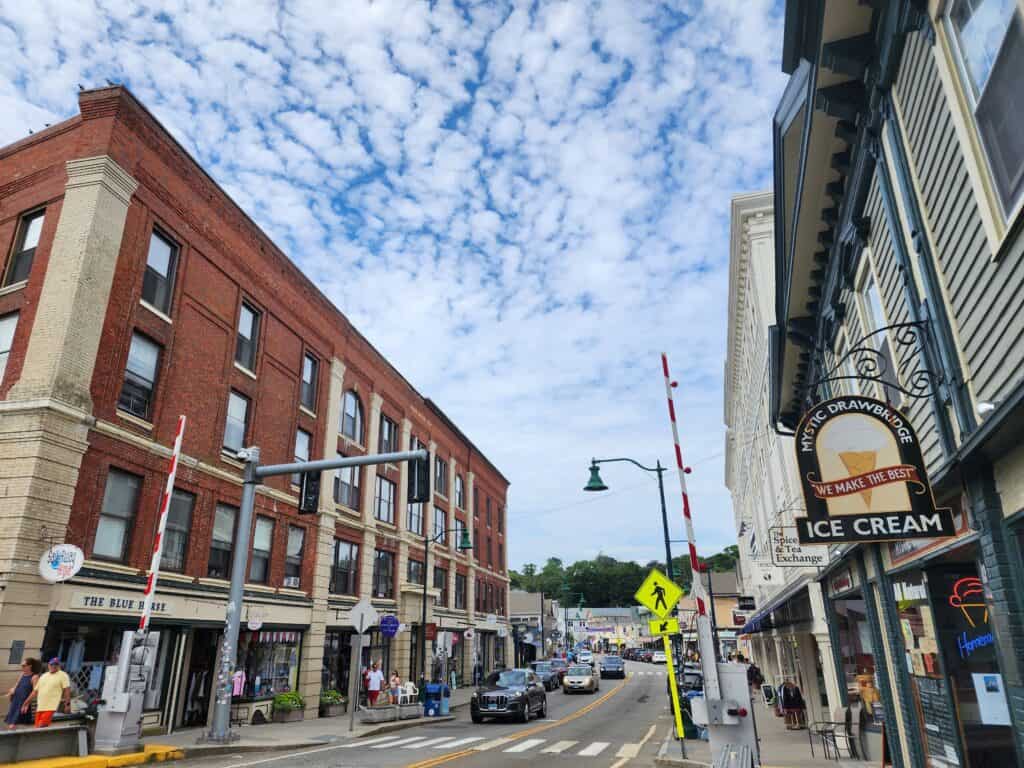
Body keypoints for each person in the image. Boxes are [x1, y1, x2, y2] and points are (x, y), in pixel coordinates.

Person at [22, 658, 70, 728]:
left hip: (50, 707)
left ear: (59, 666)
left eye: (56, 664)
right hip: (40, 707)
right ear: (48, 665)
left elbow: (67, 690)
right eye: (52, 664)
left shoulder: (63, 675)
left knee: (42, 726)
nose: (53, 666)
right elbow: (35, 691)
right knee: (37, 728)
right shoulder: (44, 676)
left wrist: (67, 705)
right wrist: (26, 702)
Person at [5, 658, 41, 729]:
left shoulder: (34, 677)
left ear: (30, 666)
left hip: (23, 703)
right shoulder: (22, 675)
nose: (22, 667)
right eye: (22, 665)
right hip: (15, 701)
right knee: (11, 724)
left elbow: (35, 692)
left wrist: (26, 703)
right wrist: (11, 691)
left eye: (24, 665)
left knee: (14, 725)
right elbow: (16, 685)